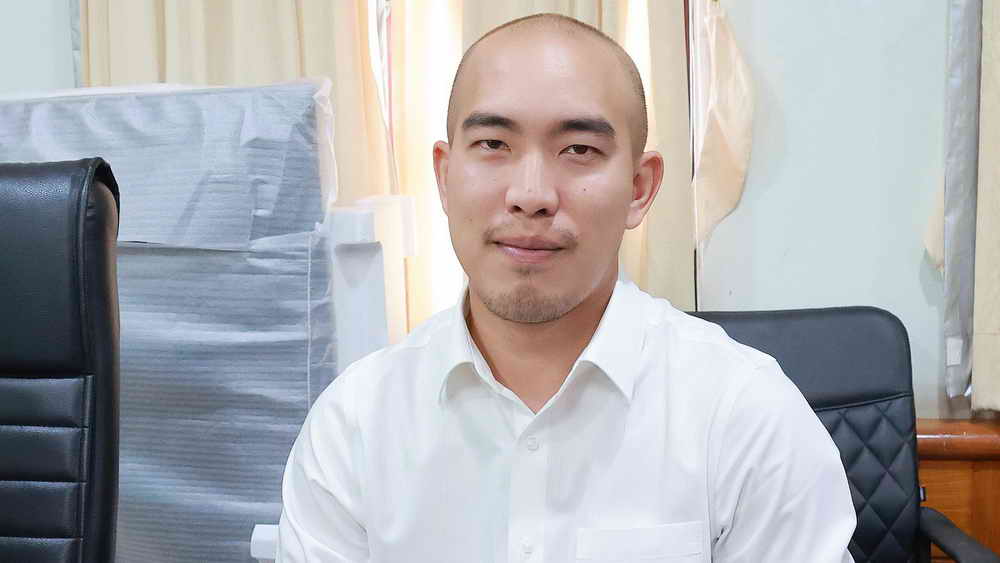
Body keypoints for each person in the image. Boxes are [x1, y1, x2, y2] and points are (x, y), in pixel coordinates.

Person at [276, 13, 856, 563]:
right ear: (444, 176)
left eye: (579, 150)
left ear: (639, 188)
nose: (531, 195)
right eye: (493, 144)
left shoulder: (746, 416)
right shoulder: (354, 425)